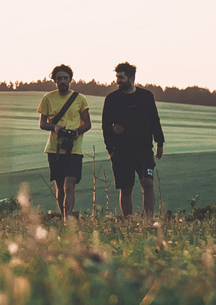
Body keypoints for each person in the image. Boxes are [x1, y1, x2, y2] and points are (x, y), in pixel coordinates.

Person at [101, 60, 164, 219]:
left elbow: (154, 120)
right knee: (126, 188)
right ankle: (129, 221)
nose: (117, 81)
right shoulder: (112, 99)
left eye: (121, 78)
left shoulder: (146, 97)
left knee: (148, 183)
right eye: (117, 77)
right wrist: (111, 150)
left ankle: (147, 220)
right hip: (121, 151)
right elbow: (106, 126)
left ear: (131, 78)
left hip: (143, 149)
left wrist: (160, 142)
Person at [37, 64, 92, 220]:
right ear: (54, 80)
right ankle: (64, 218)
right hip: (54, 148)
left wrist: (77, 132)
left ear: (70, 80)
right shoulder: (48, 98)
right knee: (60, 186)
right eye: (59, 78)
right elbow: (42, 123)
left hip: (74, 148)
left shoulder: (80, 99)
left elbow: (87, 123)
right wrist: (55, 127)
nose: (62, 81)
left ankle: (68, 219)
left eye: (65, 78)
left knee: (70, 184)